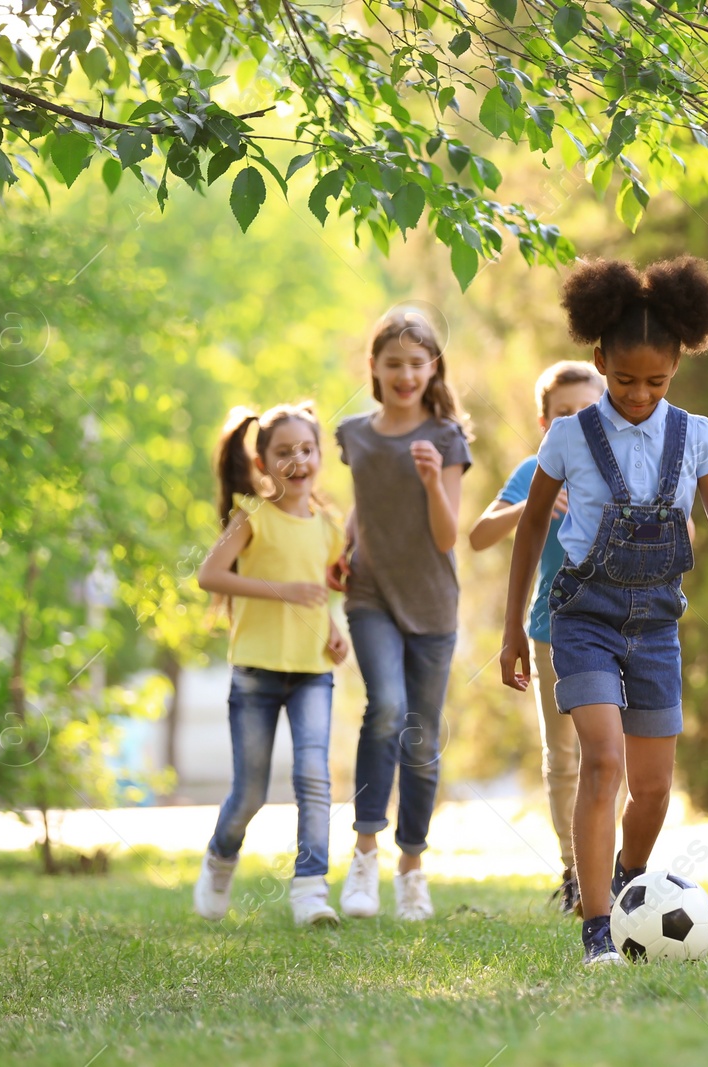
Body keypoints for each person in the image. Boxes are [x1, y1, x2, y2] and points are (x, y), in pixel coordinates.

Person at [499, 256, 708, 965]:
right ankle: (597, 927)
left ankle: (628, 883)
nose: (639, 395)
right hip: (583, 621)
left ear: (677, 366)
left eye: (656, 382)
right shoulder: (568, 436)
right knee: (603, 760)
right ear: (600, 360)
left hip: (655, 627)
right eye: (625, 381)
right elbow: (531, 528)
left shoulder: (698, 435)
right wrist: (510, 631)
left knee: (652, 790)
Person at [331, 306, 471, 922]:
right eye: (394, 364)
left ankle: (411, 867)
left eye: (417, 363)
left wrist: (435, 481)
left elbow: (447, 537)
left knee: (420, 738)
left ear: (431, 368)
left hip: (433, 601)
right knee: (384, 707)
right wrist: (344, 548)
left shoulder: (446, 438)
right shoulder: (355, 435)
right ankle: (364, 856)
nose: (406, 374)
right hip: (370, 594)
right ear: (375, 369)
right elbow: (366, 506)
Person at [192, 402, 349, 927]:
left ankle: (310, 889)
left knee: (313, 778)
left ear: (320, 457)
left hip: (311, 673)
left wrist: (333, 634)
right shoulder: (251, 515)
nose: (297, 460)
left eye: (306, 450)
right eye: (284, 452)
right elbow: (209, 575)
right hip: (255, 672)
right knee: (250, 792)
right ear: (263, 462)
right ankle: (219, 859)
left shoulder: (328, 527)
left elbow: (319, 596)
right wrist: (278, 591)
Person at [469, 361, 605, 916]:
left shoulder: (624, 464)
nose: (576, 421)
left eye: (587, 411)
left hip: (618, 625)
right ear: (545, 422)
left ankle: (610, 866)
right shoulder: (535, 470)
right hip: (551, 629)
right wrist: (537, 503)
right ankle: (576, 870)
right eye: (563, 414)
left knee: (610, 753)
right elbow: (480, 536)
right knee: (565, 755)